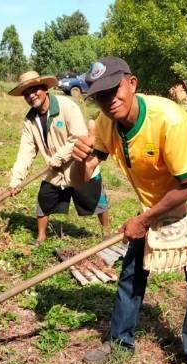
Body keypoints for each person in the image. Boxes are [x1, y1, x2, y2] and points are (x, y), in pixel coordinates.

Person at [70, 57, 187, 364]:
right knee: (131, 273)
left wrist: (143, 220)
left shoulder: (168, 119)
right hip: (154, 204)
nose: (109, 100)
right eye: (100, 95)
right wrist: (79, 161)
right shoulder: (107, 123)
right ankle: (120, 342)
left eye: (114, 90)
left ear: (132, 83)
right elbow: (84, 180)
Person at [8, 70, 111, 245]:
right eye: (26, 94)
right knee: (44, 200)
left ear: (44, 89)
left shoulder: (67, 106)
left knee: (97, 199)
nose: (31, 96)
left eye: (34, 90)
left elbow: (79, 136)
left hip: (79, 164)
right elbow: (25, 150)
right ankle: (41, 236)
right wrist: (16, 180)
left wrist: (58, 158)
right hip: (54, 171)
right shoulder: (30, 120)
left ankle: (106, 232)